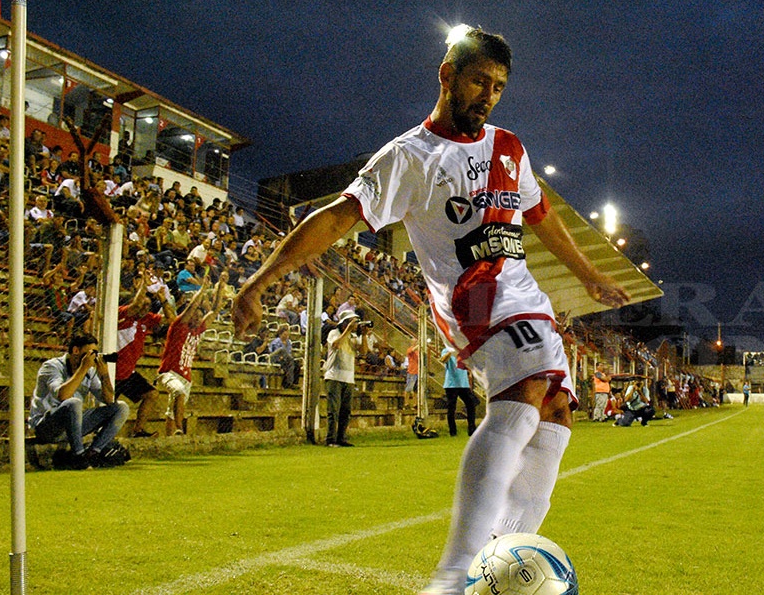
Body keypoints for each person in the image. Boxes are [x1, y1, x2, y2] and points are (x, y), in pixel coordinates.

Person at [230, 27, 628, 595]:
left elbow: (540, 214)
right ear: (447, 76)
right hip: (475, 302)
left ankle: (499, 562)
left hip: (526, 299)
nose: (488, 95)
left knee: (557, 416)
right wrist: (262, 278)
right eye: (479, 82)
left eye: (498, 87)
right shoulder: (409, 157)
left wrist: (589, 274)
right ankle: (452, 577)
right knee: (522, 403)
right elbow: (338, 218)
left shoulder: (509, 148)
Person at [28, 333, 129, 469]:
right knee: (73, 402)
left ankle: (93, 453)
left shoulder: (90, 372)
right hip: (47, 427)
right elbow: (63, 396)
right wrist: (83, 368)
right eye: (91, 352)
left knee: (121, 407)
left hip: (73, 427)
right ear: (76, 350)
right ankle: (78, 456)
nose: (93, 356)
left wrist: (104, 374)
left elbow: (109, 400)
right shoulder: (52, 367)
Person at [156, 272, 228, 435]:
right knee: (178, 391)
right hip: (169, 373)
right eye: (195, 316)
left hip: (186, 377)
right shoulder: (179, 327)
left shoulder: (198, 330)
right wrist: (202, 289)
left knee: (171, 411)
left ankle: (169, 441)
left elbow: (215, 310)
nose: (197, 319)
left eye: (199, 317)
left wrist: (220, 289)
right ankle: (180, 430)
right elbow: (191, 307)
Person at [114, 278, 176, 438]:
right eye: (142, 303)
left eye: (148, 305)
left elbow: (171, 320)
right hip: (111, 370)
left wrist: (163, 300)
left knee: (151, 394)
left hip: (127, 372)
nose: (144, 307)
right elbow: (135, 305)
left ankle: (138, 430)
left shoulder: (147, 319)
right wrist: (143, 285)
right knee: (108, 406)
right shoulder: (122, 313)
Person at [322, 309, 368, 447]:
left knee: (345, 411)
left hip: (348, 377)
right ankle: (330, 439)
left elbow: (364, 352)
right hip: (334, 375)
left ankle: (341, 437)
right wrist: (347, 330)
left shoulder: (353, 337)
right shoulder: (334, 333)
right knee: (333, 411)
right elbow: (336, 345)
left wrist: (364, 335)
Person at [440, 345, 478, 437]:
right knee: (452, 408)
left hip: (463, 384)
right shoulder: (446, 350)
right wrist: (450, 352)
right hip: (451, 384)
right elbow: (443, 360)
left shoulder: (463, 351)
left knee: (471, 405)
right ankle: (453, 432)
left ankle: (472, 429)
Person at [404, 338, 419, 407]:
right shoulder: (410, 349)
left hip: (418, 372)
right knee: (409, 388)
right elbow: (412, 351)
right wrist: (419, 345)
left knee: (416, 389)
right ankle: (406, 403)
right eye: (414, 342)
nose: (415, 343)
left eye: (416, 342)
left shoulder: (418, 351)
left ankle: (415, 403)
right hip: (412, 371)